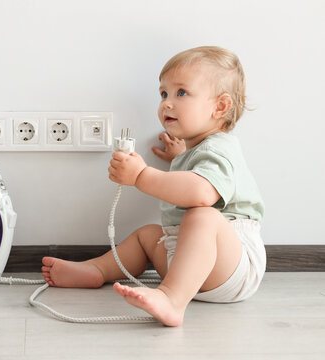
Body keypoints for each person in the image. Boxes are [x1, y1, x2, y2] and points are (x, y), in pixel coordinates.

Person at [41, 46, 266, 327]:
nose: (167, 103)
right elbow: (196, 174)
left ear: (219, 106)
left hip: (233, 268)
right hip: (187, 258)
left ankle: (172, 299)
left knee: (202, 215)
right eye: (163, 94)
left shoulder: (221, 149)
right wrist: (179, 157)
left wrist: (141, 176)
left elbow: (201, 192)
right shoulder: (196, 152)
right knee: (147, 236)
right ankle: (98, 269)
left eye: (181, 93)